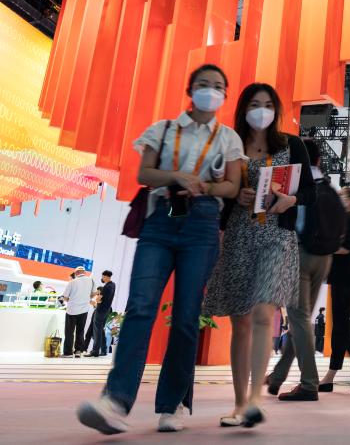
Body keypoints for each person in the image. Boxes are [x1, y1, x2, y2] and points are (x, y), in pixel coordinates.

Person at [77, 63, 244, 435]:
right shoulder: (163, 129)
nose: (211, 90)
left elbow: (232, 186)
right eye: (204, 84)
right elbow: (144, 173)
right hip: (160, 220)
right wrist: (176, 177)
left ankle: (174, 404)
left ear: (224, 95)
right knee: (140, 307)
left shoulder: (228, 138)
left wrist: (203, 186)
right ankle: (114, 401)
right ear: (190, 90)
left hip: (202, 223)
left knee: (186, 317)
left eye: (218, 86)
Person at [202, 82, 315, 428]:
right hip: (238, 234)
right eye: (254, 104)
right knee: (241, 320)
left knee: (265, 314)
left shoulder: (292, 145)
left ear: (276, 110)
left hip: (277, 236)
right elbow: (216, 188)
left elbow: (308, 191)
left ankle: (255, 399)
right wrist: (235, 196)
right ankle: (239, 403)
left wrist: (289, 199)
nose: (261, 110)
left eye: (268, 104)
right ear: (243, 109)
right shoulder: (230, 145)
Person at [268, 138, 344, 402]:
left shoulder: (293, 183)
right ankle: (277, 376)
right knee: (301, 320)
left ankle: (309, 384)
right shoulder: (328, 187)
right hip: (325, 257)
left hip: (299, 254)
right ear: (319, 160)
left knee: (299, 319)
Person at [319, 186, 350, 391]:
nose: (338, 199)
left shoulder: (349, 219)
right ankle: (333, 375)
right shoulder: (349, 219)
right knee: (340, 327)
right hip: (343, 278)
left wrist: (324, 248)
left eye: (341, 196)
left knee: (341, 327)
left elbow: (346, 248)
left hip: (344, 278)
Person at [61, 267, 96, 358]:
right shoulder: (91, 281)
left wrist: (71, 300)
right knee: (80, 331)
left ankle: (68, 352)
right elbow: (94, 293)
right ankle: (78, 351)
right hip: (84, 310)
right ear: (84, 272)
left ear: (76, 273)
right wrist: (85, 298)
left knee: (69, 332)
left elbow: (65, 297)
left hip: (71, 310)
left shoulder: (72, 282)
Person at [88, 271, 116, 357]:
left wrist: (94, 301)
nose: (102, 278)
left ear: (107, 277)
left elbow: (99, 300)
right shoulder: (113, 285)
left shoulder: (106, 287)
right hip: (106, 310)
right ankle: (103, 350)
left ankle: (95, 351)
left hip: (100, 310)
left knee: (97, 331)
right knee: (100, 330)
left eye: (103, 277)